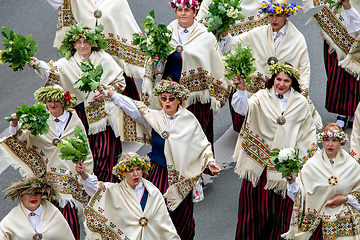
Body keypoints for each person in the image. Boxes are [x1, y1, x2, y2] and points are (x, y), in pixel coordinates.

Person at [103, 79, 221, 240]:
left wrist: (210, 162)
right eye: (163, 98)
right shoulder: (155, 117)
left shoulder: (189, 119)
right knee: (155, 214)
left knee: (181, 218)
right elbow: (134, 107)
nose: (167, 102)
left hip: (180, 176)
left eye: (171, 98)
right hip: (157, 173)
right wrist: (112, 94)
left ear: (179, 100)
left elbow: (202, 145)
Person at [29, 23, 130, 183]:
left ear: (92, 43)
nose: (83, 46)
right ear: (74, 45)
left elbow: (120, 82)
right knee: (85, 155)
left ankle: (106, 189)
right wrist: (38, 64)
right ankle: (87, 187)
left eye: (86, 42)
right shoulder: (67, 63)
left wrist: (105, 92)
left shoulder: (104, 59)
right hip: (80, 116)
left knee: (106, 153)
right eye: (79, 42)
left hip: (103, 117)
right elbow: (52, 70)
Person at [231, 62, 318, 239]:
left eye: (286, 80)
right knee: (252, 214)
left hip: (283, 171)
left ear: (292, 82)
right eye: (278, 79)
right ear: (273, 79)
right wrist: (240, 90)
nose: (281, 84)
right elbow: (243, 109)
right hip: (260, 166)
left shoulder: (301, 103)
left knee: (277, 216)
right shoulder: (262, 96)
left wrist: (306, 163)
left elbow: (307, 133)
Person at [0, 85, 93, 240]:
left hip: (67, 186)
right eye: (49, 101)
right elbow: (22, 139)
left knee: (67, 226)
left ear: (63, 101)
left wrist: (85, 174)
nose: (52, 104)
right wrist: (15, 123)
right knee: (43, 228)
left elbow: (85, 150)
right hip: (45, 180)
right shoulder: (40, 120)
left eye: (56, 100)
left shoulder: (75, 122)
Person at [142, 0, 232, 149]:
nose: (183, 13)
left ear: (195, 12)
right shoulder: (166, 33)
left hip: (196, 98)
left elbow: (216, 64)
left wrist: (217, 93)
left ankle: (197, 169)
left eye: (187, 10)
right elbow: (158, 68)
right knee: (170, 134)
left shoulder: (205, 35)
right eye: (179, 9)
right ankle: (170, 168)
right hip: (170, 95)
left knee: (195, 135)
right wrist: (155, 61)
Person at [225, 0, 322, 132]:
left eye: (278, 15)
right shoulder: (258, 33)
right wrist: (224, 34)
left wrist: (303, 91)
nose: (274, 19)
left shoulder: (297, 39)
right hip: (260, 90)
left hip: (284, 88)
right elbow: (235, 43)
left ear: (286, 15)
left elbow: (304, 67)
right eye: (271, 15)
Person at [47, 0, 145, 100]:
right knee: (84, 98)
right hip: (83, 61)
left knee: (121, 103)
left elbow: (126, 24)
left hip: (113, 63)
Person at [75, 152, 181, 240]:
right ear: (123, 173)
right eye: (130, 171)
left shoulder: (153, 192)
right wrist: (83, 173)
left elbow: (164, 221)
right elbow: (94, 188)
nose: (136, 174)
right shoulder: (114, 191)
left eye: (138, 169)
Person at [282, 123, 360, 239]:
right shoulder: (311, 164)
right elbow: (301, 196)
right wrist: (292, 182)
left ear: (341, 142)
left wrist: (345, 198)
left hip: (344, 222)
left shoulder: (352, 165)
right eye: (326, 139)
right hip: (317, 222)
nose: (330, 144)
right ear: (321, 141)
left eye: (334, 140)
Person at [303, 0, 360, 128]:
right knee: (336, 70)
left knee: (355, 71)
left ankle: (353, 111)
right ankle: (341, 112)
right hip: (336, 30)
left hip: (356, 30)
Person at [0, 176, 75, 240]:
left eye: (37, 193)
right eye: (29, 193)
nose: (33, 197)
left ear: (42, 195)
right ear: (21, 196)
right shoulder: (12, 218)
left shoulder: (54, 214)